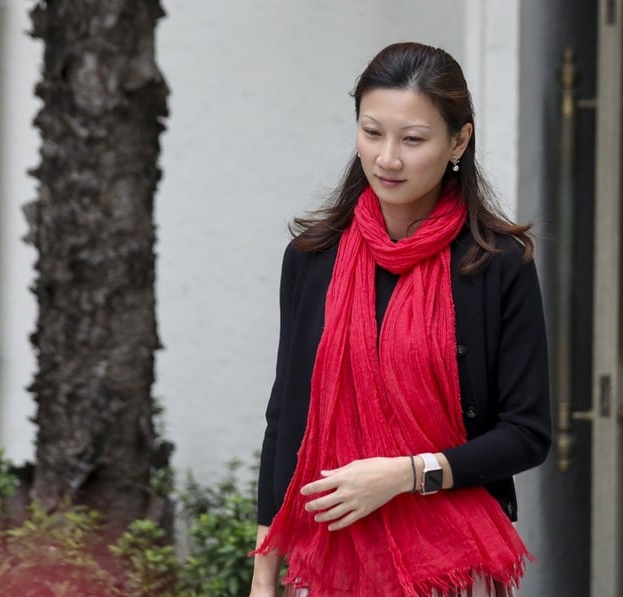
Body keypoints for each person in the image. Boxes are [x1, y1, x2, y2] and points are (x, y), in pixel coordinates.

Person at [250, 42, 552, 597]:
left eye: (413, 139)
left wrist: (404, 476)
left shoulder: (497, 265)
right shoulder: (313, 259)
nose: (387, 157)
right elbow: (286, 416)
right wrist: (264, 573)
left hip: (448, 566)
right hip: (326, 562)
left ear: (458, 140)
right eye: (372, 132)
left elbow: (527, 435)